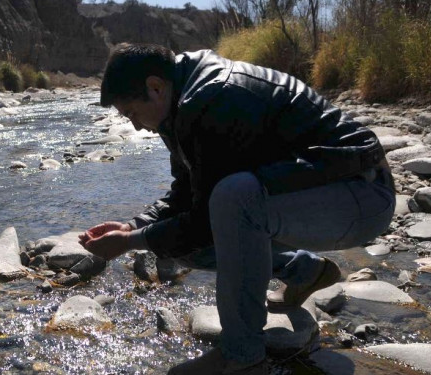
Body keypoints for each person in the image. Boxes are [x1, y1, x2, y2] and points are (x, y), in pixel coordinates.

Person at [78, 43, 395, 375]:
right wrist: (133, 226)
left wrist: (131, 242)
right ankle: (305, 272)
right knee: (184, 242)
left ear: (154, 87)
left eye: (132, 113)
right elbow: (187, 194)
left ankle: (242, 356)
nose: (137, 126)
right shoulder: (179, 103)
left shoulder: (214, 98)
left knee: (233, 197)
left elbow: (204, 220)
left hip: (362, 194)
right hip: (313, 198)